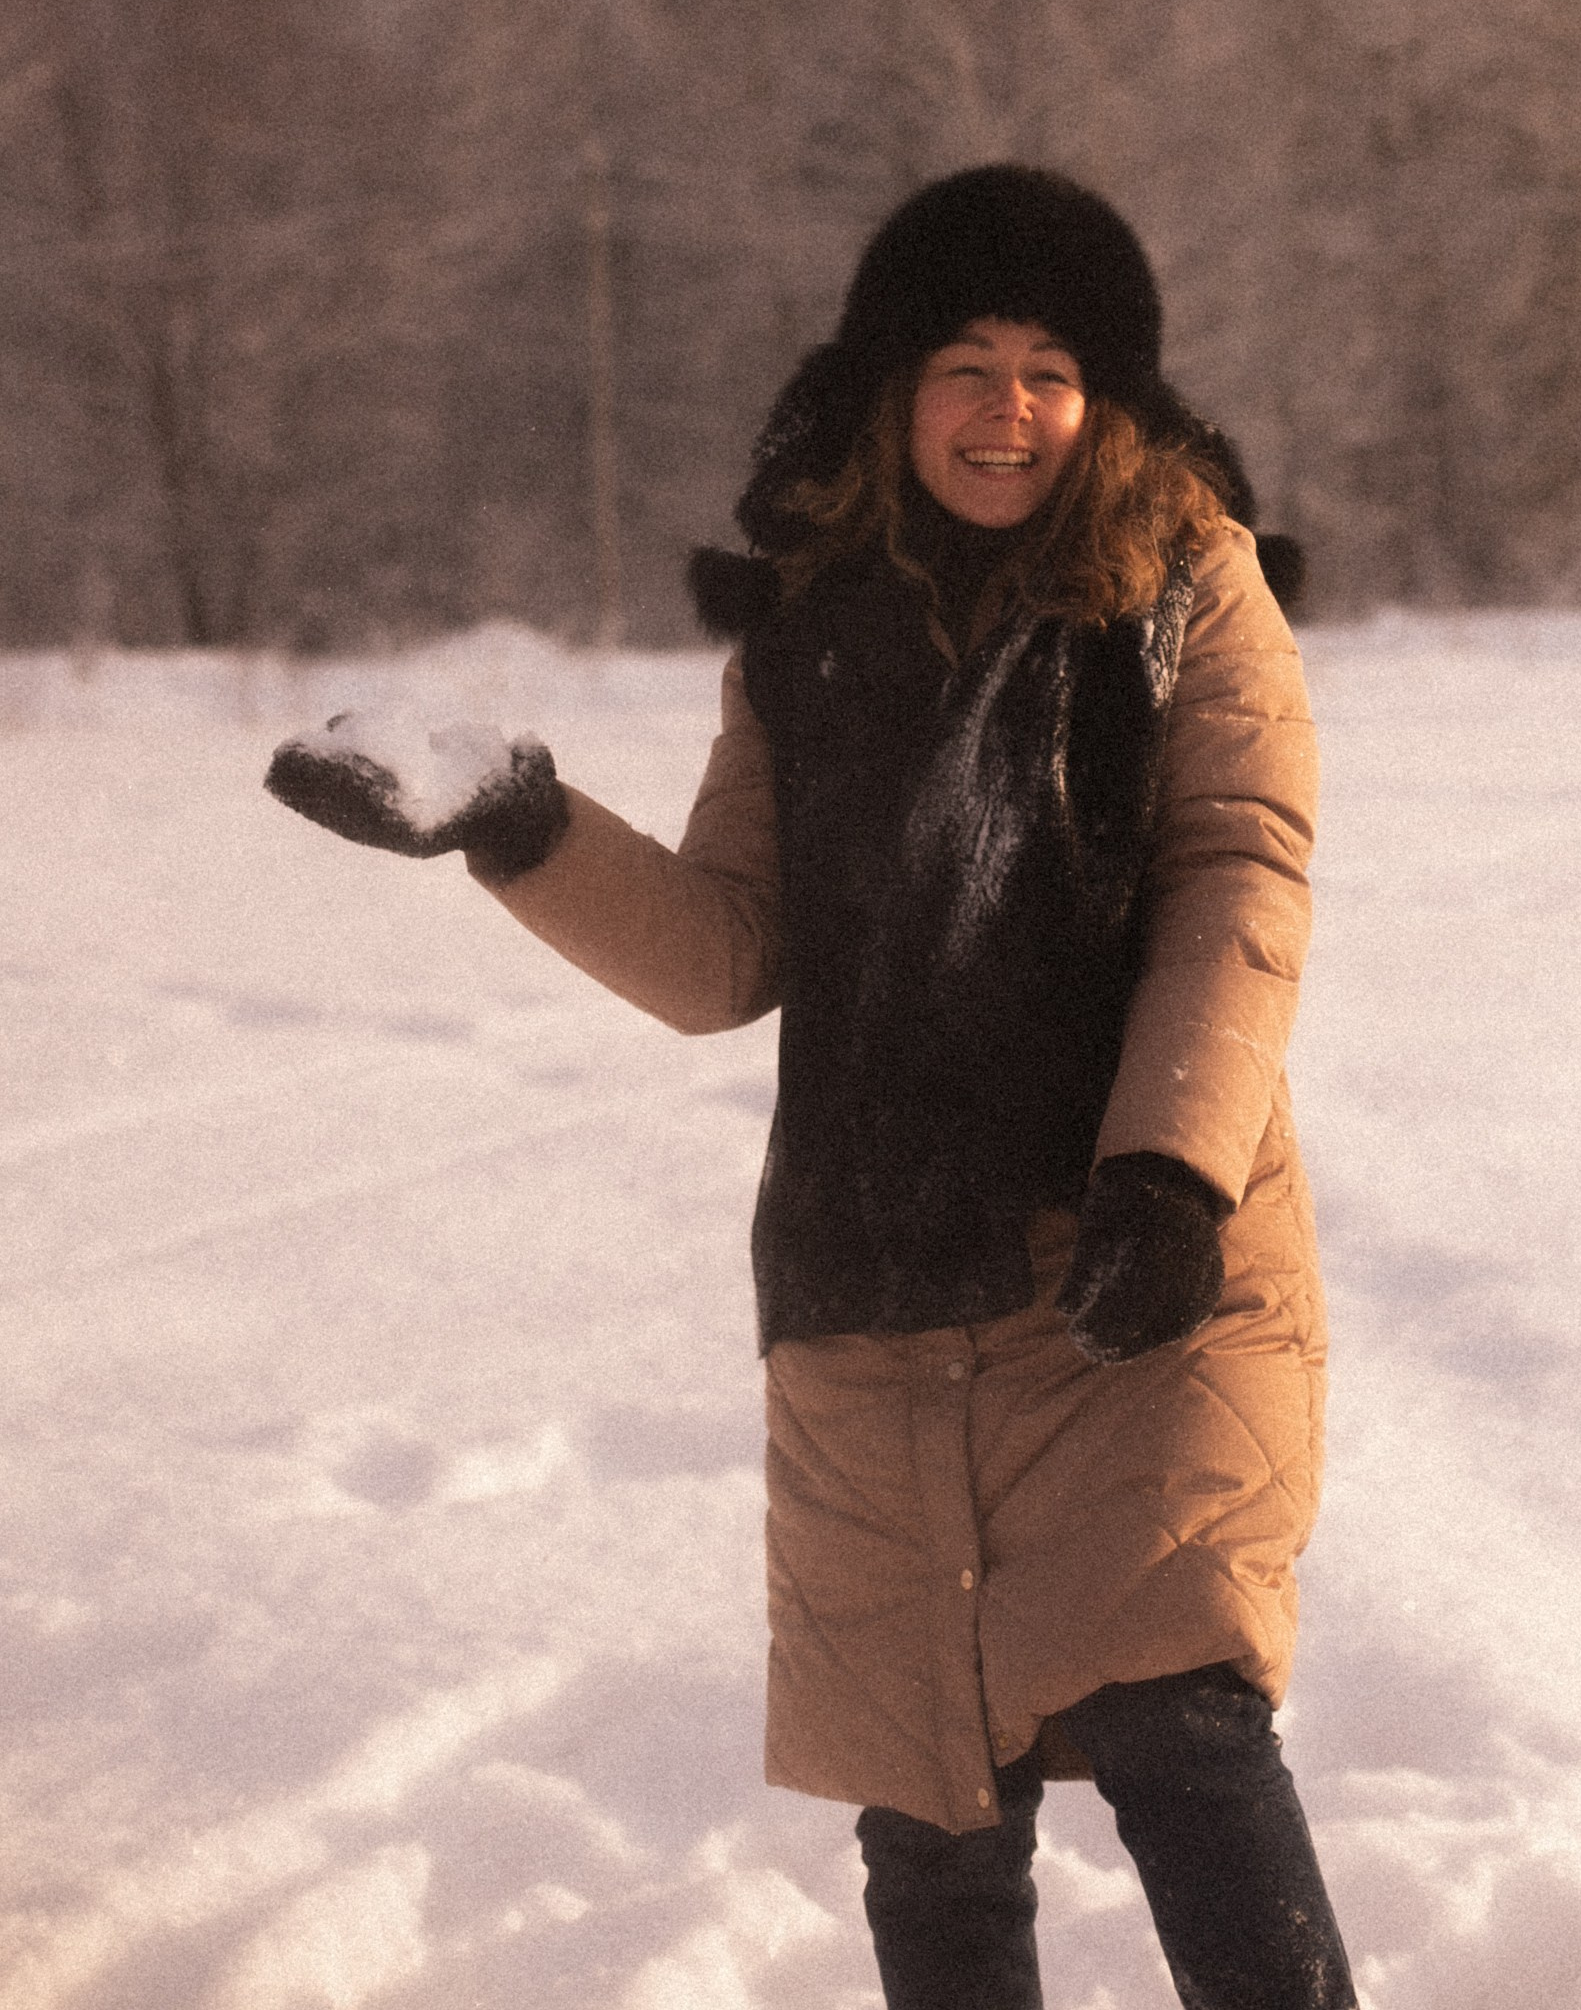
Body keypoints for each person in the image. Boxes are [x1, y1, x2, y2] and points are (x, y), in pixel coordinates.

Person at [267, 164, 1355, 2010]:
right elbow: (726, 951)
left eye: (1051, 372)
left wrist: (1172, 1171)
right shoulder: (808, 633)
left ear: (1107, 403)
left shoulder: (1187, 585)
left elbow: (1238, 878)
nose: (1008, 410)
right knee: (932, 1813)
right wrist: (522, 826)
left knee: (1182, 1722)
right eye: (966, 366)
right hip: (872, 1289)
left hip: (1134, 1263)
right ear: (890, 388)